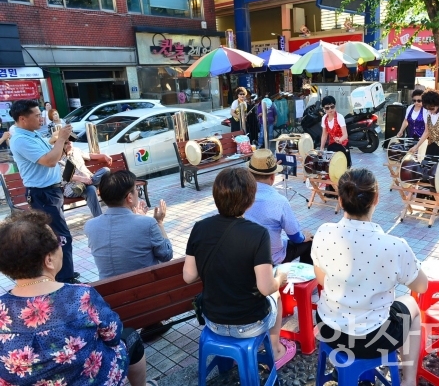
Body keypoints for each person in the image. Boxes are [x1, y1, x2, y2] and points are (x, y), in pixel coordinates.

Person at [0, 210, 154, 386]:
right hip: (91, 380)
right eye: (58, 242)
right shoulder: (80, 296)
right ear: (48, 259)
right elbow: (113, 334)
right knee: (130, 337)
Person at [311, 168, 428, 386]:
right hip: (372, 338)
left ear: (340, 199)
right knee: (411, 304)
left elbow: (320, 279)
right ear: (376, 198)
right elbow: (421, 286)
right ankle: (409, 380)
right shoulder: (394, 246)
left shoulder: (324, 231)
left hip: (329, 329)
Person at [183, 167, 297, 369]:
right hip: (250, 324)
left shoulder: (199, 227)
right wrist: (280, 276)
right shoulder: (257, 234)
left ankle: (227, 363)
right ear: (250, 201)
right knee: (276, 296)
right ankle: (275, 347)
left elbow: (189, 276)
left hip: (213, 321)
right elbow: (266, 288)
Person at [9, 99, 78, 283]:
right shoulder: (21, 140)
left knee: (57, 236)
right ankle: (66, 278)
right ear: (23, 119)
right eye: (37, 115)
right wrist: (61, 138)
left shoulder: (33, 134)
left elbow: (53, 156)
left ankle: (63, 272)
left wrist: (63, 148)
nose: (41, 118)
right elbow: (49, 161)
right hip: (43, 194)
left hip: (51, 192)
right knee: (61, 237)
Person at [84, 170, 172, 280]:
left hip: (109, 294)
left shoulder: (90, 226)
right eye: (137, 189)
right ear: (129, 197)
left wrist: (137, 218)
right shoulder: (148, 223)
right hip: (146, 291)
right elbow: (166, 255)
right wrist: (159, 223)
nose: (138, 192)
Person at [245, 149, 313, 265]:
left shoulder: (241, 194)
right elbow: (295, 237)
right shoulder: (279, 201)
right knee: (309, 241)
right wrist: (304, 237)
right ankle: (304, 278)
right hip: (272, 258)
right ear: (272, 178)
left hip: (247, 255)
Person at [57, 140, 112, 217]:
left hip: (89, 181)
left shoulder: (76, 150)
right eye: (66, 142)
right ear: (60, 145)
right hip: (73, 188)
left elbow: (89, 156)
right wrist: (82, 179)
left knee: (105, 170)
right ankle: (100, 217)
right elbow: (65, 176)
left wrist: (103, 155)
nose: (69, 143)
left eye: (70, 141)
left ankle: (99, 218)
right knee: (91, 188)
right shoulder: (58, 159)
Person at [319, 95, 351, 167]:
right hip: (332, 145)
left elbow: (345, 135)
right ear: (324, 109)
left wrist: (340, 140)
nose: (330, 109)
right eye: (327, 108)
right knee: (331, 167)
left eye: (332, 107)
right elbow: (324, 135)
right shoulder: (324, 118)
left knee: (343, 168)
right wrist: (321, 148)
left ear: (335, 106)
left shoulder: (340, 117)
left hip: (342, 145)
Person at [396, 89, 427, 158]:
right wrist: (401, 131)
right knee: (409, 157)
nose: (416, 102)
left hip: (422, 139)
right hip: (410, 137)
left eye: (419, 100)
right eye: (414, 100)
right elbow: (405, 121)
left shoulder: (426, 110)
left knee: (419, 158)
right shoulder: (410, 108)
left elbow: (427, 129)